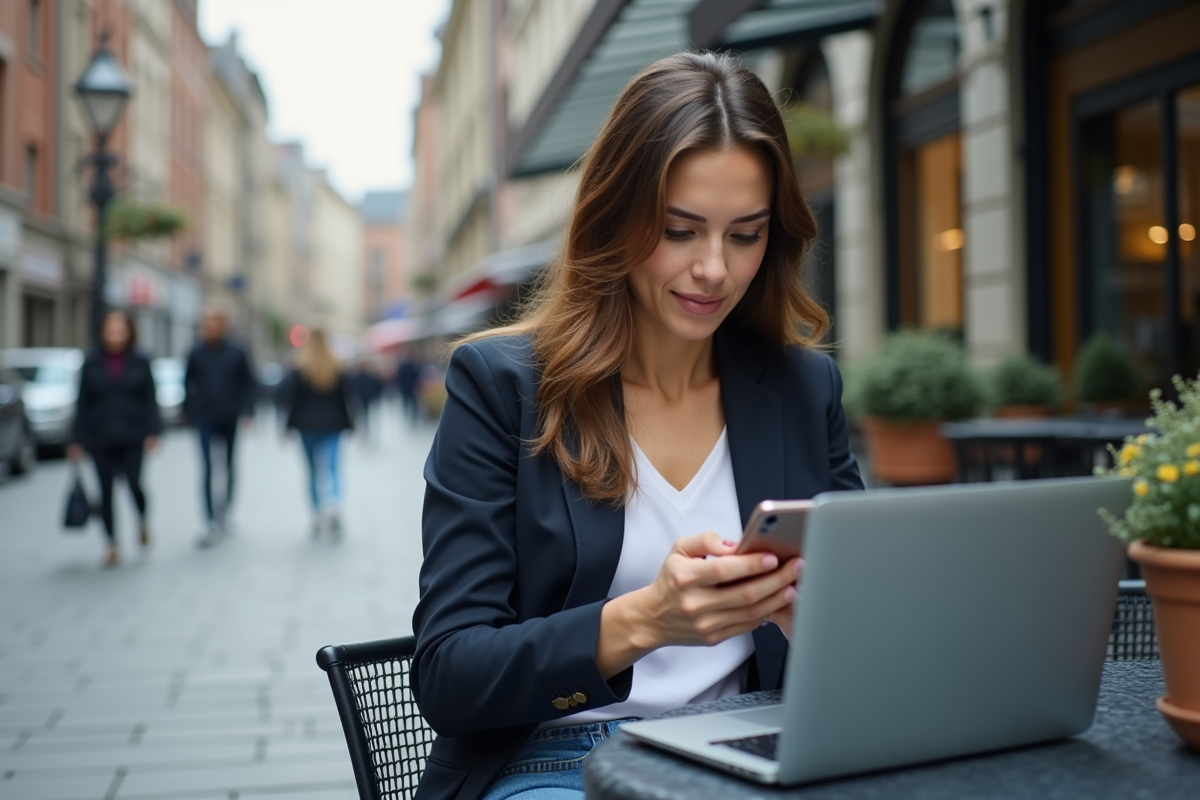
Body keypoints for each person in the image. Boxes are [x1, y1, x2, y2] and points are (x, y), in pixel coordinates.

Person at [412, 52, 863, 800]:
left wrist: (819, 619)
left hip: (756, 745)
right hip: (560, 758)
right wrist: (645, 620)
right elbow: (450, 675)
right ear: (616, 218)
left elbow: (866, 623)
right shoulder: (502, 386)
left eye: (745, 235)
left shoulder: (802, 387)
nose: (714, 269)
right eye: (680, 230)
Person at [68, 310, 161, 568]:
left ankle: (141, 519)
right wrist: (76, 440)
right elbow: (82, 402)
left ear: (129, 332)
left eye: (121, 330)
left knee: (134, 484)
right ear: (102, 333)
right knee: (105, 490)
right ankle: (111, 543)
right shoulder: (91, 361)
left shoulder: (141, 360)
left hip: (133, 434)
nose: (116, 336)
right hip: (100, 436)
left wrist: (153, 432)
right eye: (111, 330)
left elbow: (150, 399)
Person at [183, 307, 256, 547]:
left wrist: (248, 411)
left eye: (214, 323)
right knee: (207, 467)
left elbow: (247, 382)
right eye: (207, 324)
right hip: (205, 416)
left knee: (228, 464)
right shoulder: (196, 352)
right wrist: (190, 408)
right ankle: (209, 519)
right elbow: (188, 382)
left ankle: (227, 510)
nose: (210, 328)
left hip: (229, 415)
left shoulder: (236, 351)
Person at [277, 328, 356, 538]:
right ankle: (334, 504)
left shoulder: (300, 368)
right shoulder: (337, 366)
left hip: (307, 426)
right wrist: (351, 425)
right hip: (333, 424)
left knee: (312, 471)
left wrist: (287, 427)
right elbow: (346, 399)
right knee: (332, 468)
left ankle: (316, 513)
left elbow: (292, 401)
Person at [395, 352, 421, 426]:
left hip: (404, 386)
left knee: (405, 401)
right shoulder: (413, 365)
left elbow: (398, 376)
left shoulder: (402, 366)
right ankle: (413, 416)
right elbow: (416, 375)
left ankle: (406, 413)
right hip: (411, 386)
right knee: (413, 402)